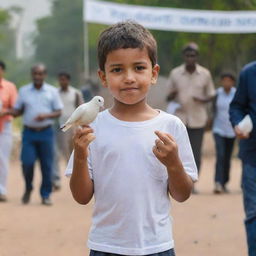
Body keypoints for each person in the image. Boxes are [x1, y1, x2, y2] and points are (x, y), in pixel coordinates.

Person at [66, 21, 198, 256]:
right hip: (105, 246)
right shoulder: (92, 126)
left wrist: (174, 163)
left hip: (157, 245)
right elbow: (81, 196)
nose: (129, 78)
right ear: (103, 77)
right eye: (117, 69)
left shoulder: (170, 126)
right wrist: (80, 156)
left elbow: (182, 194)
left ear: (154, 73)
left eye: (139, 67)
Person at [3, 64, 63, 206]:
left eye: (40, 73)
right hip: (29, 133)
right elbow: (18, 110)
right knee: (27, 163)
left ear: (45, 75)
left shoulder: (52, 91)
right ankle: (28, 188)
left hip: (46, 132)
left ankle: (46, 194)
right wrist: (7, 112)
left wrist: (46, 115)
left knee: (46, 165)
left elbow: (59, 111)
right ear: (32, 75)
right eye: (35, 73)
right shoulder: (24, 91)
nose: (37, 76)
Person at [166, 42, 215, 179]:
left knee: (195, 151)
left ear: (197, 57)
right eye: (187, 56)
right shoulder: (175, 73)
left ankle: (192, 180)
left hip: (198, 119)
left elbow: (211, 95)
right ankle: (178, 179)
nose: (190, 58)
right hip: (179, 118)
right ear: (184, 56)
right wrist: (172, 94)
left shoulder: (205, 74)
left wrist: (202, 99)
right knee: (178, 151)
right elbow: (168, 96)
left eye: (192, 56)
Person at [229, 62, 256, 256]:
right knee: (254, 214)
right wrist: (238, 123)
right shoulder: (249, 73)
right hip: (253, 155)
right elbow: (237, 106)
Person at [52, 71, 84, 190]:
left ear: (68, 80)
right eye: (60, 79)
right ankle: (57, 180)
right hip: (58, 126)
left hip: (72, 127)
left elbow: (81, 109)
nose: (62, 82)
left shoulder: (75, 93)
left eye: (64, 79)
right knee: (57, 152)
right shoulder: (54, 93)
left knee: (71, 152)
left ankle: (75, 176)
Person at [212, 72, 236, 194]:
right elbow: (212, 109)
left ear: (233, 82)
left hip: (232, 130)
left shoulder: (236, 94)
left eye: (229, 80)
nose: (227, 83)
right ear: (221, 82)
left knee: (227, 157)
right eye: (224, 80)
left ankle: (225, 182)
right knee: (220, 155)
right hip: (218, 129)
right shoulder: (217, 94)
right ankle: (218, 183)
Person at [0, 60, 18, 202]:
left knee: (2, 158)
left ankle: (2, 189)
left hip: (4, 125)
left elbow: (15, 108)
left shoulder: (9, 87)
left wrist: (4, 112)